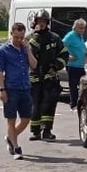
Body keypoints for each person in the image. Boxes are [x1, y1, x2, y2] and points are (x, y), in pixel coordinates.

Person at [0, 22, 38, 160]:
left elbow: (34, 65)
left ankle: (10, 137)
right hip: (11, 89)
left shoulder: (25, 49)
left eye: (22, 37)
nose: (19, 40)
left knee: (26, 118)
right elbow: (0, 72)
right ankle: (16, 148)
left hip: (25, 88)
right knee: (11, 120)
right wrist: (2, 90)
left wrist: (28, 50)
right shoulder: (3, 51)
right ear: (11, 34)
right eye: (17, 37)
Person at [27, 9, 68, 141]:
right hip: (35, 78)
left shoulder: (54, 38)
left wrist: (56, 66)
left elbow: (64, 54)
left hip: (50, 78)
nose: (42, 24)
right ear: (35, 22)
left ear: (48, 23)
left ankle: (47, 131)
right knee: (36, 105)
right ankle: (35, 131)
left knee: (49, 104)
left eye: (44, 21)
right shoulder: (31, 38)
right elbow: (28, 54)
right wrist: (36, 35)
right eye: (40, 21)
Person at [63, 18, 87, 110]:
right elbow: (62, 45)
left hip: (80, 65)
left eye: (83, 28)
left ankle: (80, 102)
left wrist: (86, 51)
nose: (82, 30)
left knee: (83, 85)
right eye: (80, 28)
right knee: (73, 86)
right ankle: (73, 104)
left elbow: (81, 45)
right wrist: (68, 56)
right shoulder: (70, 36)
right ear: (75, 27)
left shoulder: (80, 36)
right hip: (72, 65)